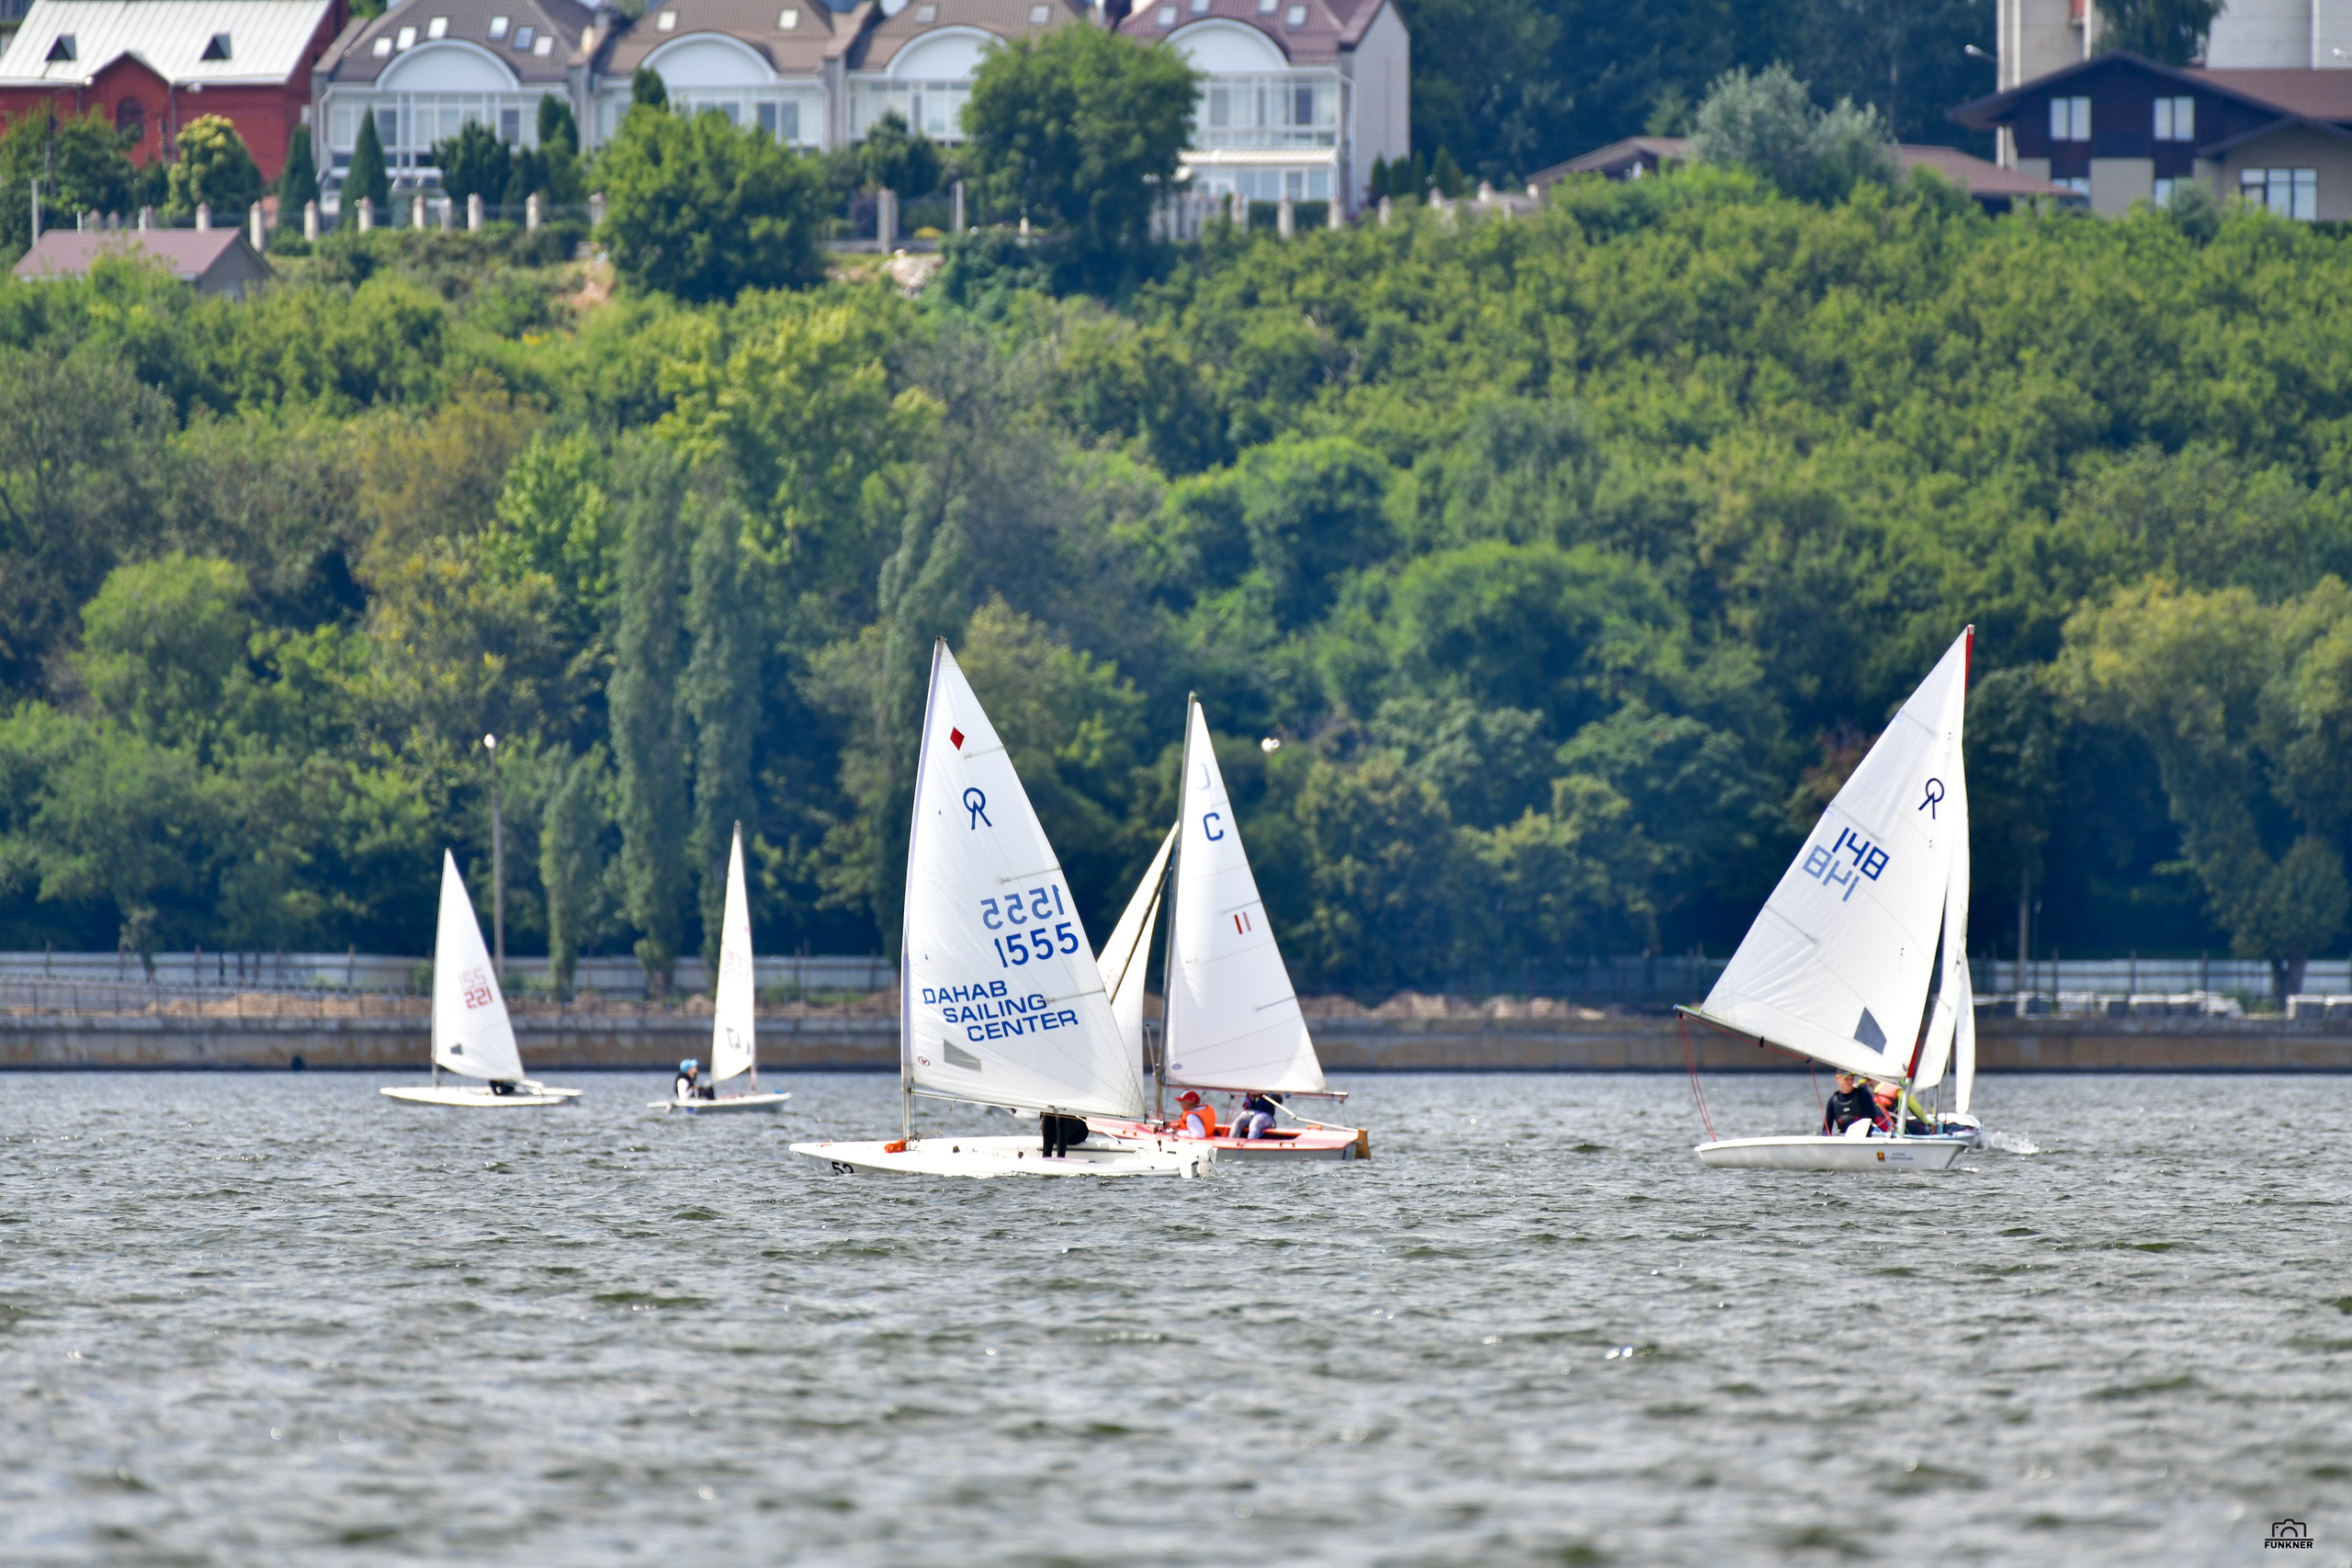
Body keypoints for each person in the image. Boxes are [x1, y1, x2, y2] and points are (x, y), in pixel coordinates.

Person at [1821, 1070, 1879, 1135]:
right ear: (1837, 1078)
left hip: (1862, 1137)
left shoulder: (1863, 1094)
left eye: (1852, 1078)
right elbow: (1826, 1128)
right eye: (1847, 1079)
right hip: (1843, 1137)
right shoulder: (1833, 1100)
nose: (1850, 1081)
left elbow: (1870, 1118)